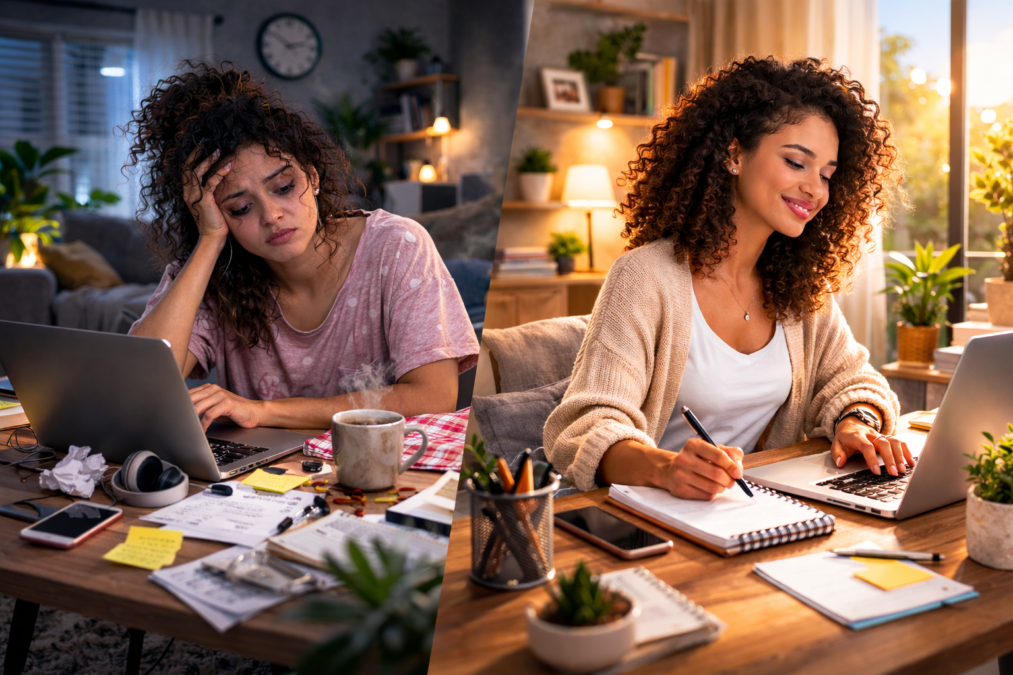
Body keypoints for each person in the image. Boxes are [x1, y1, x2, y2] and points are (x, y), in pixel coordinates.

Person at [544, 56, 907, 499]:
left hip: (756, 511)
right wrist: (666, 468)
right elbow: (586, 424)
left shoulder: (800, 289)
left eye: (827, 174)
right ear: (734, 154)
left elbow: (853, 380)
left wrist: (857, 423)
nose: (816, 189)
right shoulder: (646, 277)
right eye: (796, 163)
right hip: (648, 517)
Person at [127, 63, 478, 431]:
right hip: (258, 482)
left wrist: (264, 411)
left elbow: (434, 398)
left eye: (283, 187)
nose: (272, 215)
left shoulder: (397, 246)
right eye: (240, 208)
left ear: (312, 175)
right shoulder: (212, 270)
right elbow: (137, 389)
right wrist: (211, 240)